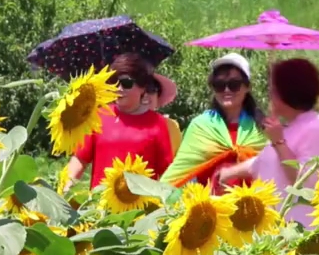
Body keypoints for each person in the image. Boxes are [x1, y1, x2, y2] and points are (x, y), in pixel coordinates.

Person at [217, 58, 319, 226]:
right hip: (272, 228)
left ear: (290, 93)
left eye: (274, 90)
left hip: (296, 229)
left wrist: (279, 142)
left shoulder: (315, 127)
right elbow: (266, 163)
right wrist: (229, 173)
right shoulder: (289, 128)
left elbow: (304, 182)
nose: (270, 93)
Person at [63, 53, 174, 191]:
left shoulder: (157, 124)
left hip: (141, 208)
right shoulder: (99, 115)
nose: (119, 89)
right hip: (99, 207)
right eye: (114, 82)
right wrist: (68, 186)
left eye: (126, 83)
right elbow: (80, 158)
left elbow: (167, 172)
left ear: (142, 88)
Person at [160, 53, 266, 195]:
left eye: (234, 85)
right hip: (210, 211)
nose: (227, 90)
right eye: (219, 85)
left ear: (247, 87)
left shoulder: (262, 127)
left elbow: (276, 167)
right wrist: (156, 200)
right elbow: (178, 171)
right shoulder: (201, 126)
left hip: (255, 210)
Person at [143, 73, 183, 154]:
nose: (145, 94)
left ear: (158, 97)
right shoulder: (113, 124)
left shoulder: (170, 126)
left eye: (151, 88)